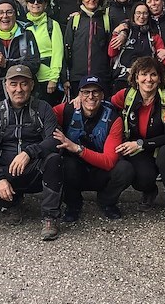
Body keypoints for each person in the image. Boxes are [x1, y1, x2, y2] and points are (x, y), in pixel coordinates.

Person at [0, 65, 63, 241]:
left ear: (32, 85)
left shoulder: (43, 108)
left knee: (54, 160)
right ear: (5, 85)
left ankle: (49, 217)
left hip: (35, 169)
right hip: (7, 170)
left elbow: (54, 139)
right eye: (13, 84)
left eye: (24, 84)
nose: (19, 89)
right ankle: (12, 204)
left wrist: (29, 153)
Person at [112, 57, 165, 228]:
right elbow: (104, 106)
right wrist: (79, 100)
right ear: (136, 77)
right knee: (141, 177)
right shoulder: (126, 95)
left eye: (153, 74)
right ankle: (149, 190)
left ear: (160, 77)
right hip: (142, 150)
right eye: (144, 74)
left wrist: (140, 144)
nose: (149, 79)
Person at [52, 76, 134, 222]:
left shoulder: (113, 119)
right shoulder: (67, 110)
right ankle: (73, 204)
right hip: (75, 170)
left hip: (100, 172)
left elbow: (109, 161)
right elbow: (42, 114)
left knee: (125, 168)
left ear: (102, 95)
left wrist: (77, 148)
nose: (91, 96)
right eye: (86, 92)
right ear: (79, 94)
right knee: (59, 162)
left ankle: (106, 201)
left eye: (96, 92)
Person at [0, 0, 41, 111]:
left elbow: (34, 64)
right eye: (0, 12)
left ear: (15, 15)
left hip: (24, 96)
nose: (5, 16)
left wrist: (6, 63)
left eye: (9, 12)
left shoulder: (27, 35)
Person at [108, 2, 165, 94]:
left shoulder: (153, 36)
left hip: (146, 81)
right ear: (133, 14)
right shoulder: (125, 31)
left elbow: (163, 60)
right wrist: (116, 34)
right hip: (123, 78)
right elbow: (111, 53)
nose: (141, 16)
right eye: (138, 13)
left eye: (145, 13)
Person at [63, 0, 111, 98]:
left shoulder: (106, 19)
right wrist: (65, 78)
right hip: (78, 76)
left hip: (101, 76)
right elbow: (66, 48)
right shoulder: (75, 20)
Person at [25, 0, 64, 106]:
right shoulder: (24, 27)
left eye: (39, 1)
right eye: (32, 1)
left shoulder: (52, 25)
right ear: (27, 5)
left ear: (45, 4)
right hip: (29, 77)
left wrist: (54, 78)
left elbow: (58, 53)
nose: (35, 3)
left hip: (47, 78)